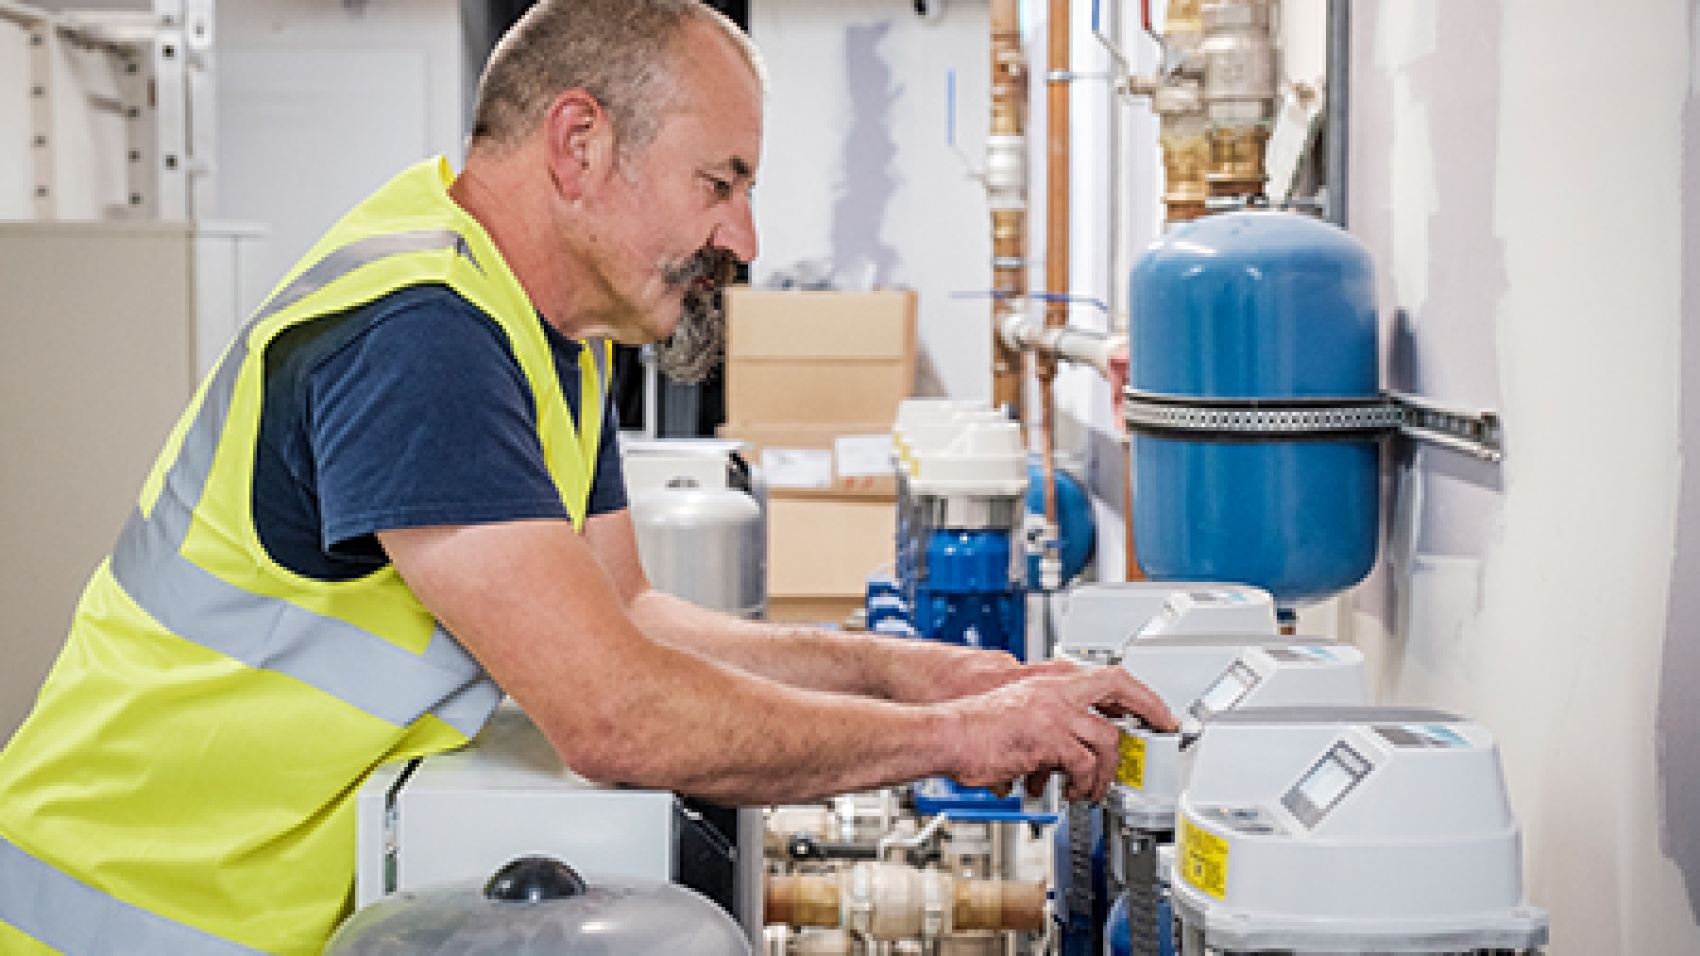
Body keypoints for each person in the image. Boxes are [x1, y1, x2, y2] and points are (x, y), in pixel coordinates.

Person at [0, 1, 1175, 953]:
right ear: (579, 143)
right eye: (720, 182)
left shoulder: (546, 337)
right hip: (121, 913)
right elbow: (616, 711)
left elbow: (630, 618)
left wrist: (915, 674)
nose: (746, 239)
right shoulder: (420, 336)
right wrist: (961, 738)